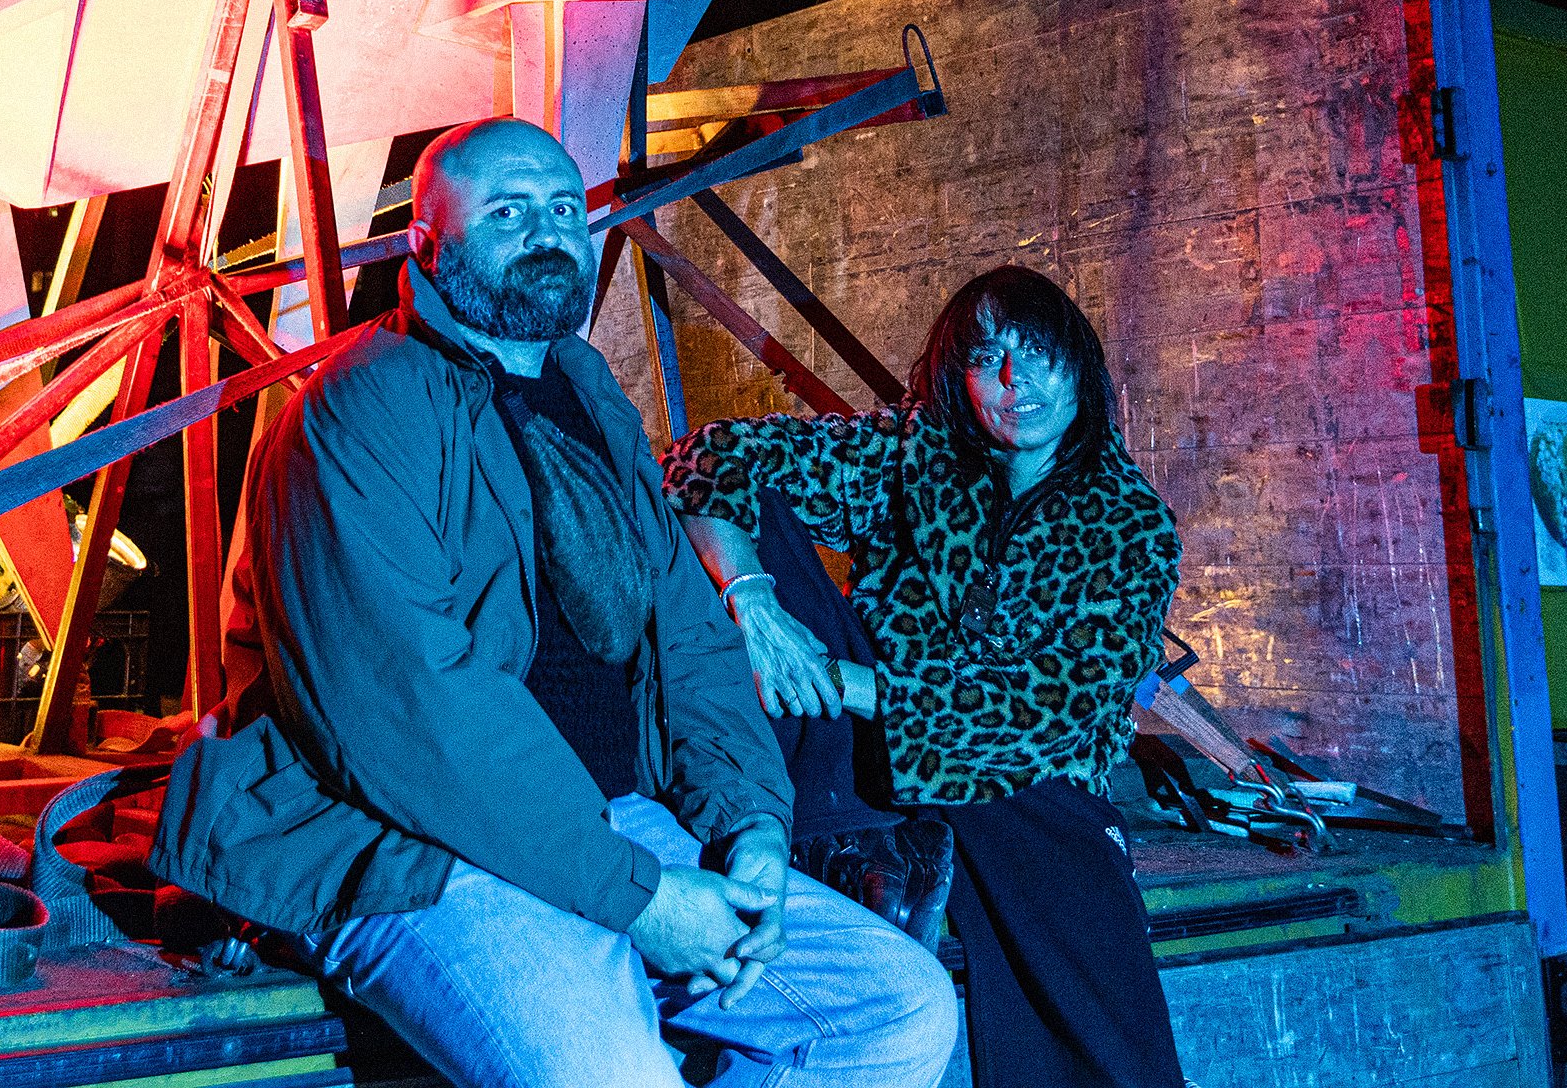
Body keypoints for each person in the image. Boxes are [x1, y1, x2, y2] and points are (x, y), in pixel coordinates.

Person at [152, 118, 957, 1088]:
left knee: (899, 1012)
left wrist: (750, 828)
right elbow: (413, 706)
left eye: (563, 209)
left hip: (616, 825)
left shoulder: (591, 401)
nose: (544, 230)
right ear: (427, 244)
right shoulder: (360, 412)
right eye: (505, 210)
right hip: (417, 843)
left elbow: (691, 639)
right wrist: (639, 895)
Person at [664, 265, 1187, 1088]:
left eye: (1039, 356)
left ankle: (864, 849)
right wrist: (755, 603)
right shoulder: (911, 458)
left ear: (1079, 365)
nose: (1017, 384)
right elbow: (712, 456)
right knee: (743, 510)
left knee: (1091, 978)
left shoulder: (1131, 527)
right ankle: (823, 834)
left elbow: (1053, 712)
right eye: (989, 360)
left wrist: (852, 685)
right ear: (959, 376)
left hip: (1022, 777)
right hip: (853, 757)